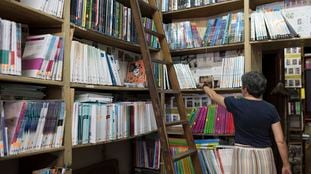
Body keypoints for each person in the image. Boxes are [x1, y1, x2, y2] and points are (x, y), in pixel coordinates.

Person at [203, 71, 291, 174]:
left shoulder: (235, 104)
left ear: (245, 89)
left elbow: (213, 96)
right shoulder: (271, 109)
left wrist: (205, 87)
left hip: (242, 155)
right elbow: (280, 140)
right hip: (265, 155)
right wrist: (286, 164)